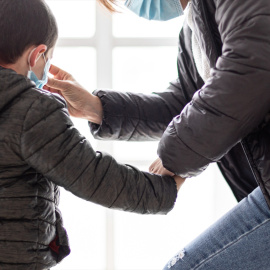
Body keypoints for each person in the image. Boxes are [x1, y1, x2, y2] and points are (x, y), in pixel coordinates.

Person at [45, 0, 270, 269]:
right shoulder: (194, 28)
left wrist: (176, 153)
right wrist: (98, 108)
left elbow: (250, 72)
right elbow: (185, 104)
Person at [0, 1, 185, 269]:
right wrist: (164, 190)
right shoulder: (32, 109)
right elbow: (95, 177)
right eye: (47, 61)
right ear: (36, 56)